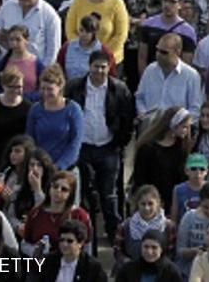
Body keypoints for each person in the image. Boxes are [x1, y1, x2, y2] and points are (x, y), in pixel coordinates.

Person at [66, 49, 133, 244]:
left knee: (109, 195)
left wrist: (120, 144)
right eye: (96, 67)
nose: (100, 71)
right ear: (89, 66)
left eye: (104, 67)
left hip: (108, 148)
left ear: (109, 67)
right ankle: (85, 234)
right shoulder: (74, 87)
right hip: (82, 147)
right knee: (83, 194)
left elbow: (128, 119)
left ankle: (114, 234)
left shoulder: (120, 89)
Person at [25, 64, 83, 171]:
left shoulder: (73, 110)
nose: (45, 93)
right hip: (39, 168)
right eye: (43, 89)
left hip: (65, 169)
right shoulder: (35, 109)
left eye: (50, 89)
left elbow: (75, 144)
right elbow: (30, 140)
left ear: (60, 86)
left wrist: (58, 166)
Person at [37, 219, 106, 282]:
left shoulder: (92, 267)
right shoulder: (49, 261)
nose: (64, 244)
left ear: (80, 243)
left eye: (69, 241)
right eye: (61, 240)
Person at [116, 228, 183, 282]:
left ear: (162, 249)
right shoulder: (127, 270)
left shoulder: (172, 272)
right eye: (146, 247)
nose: (149, 252)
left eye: (154, 247)